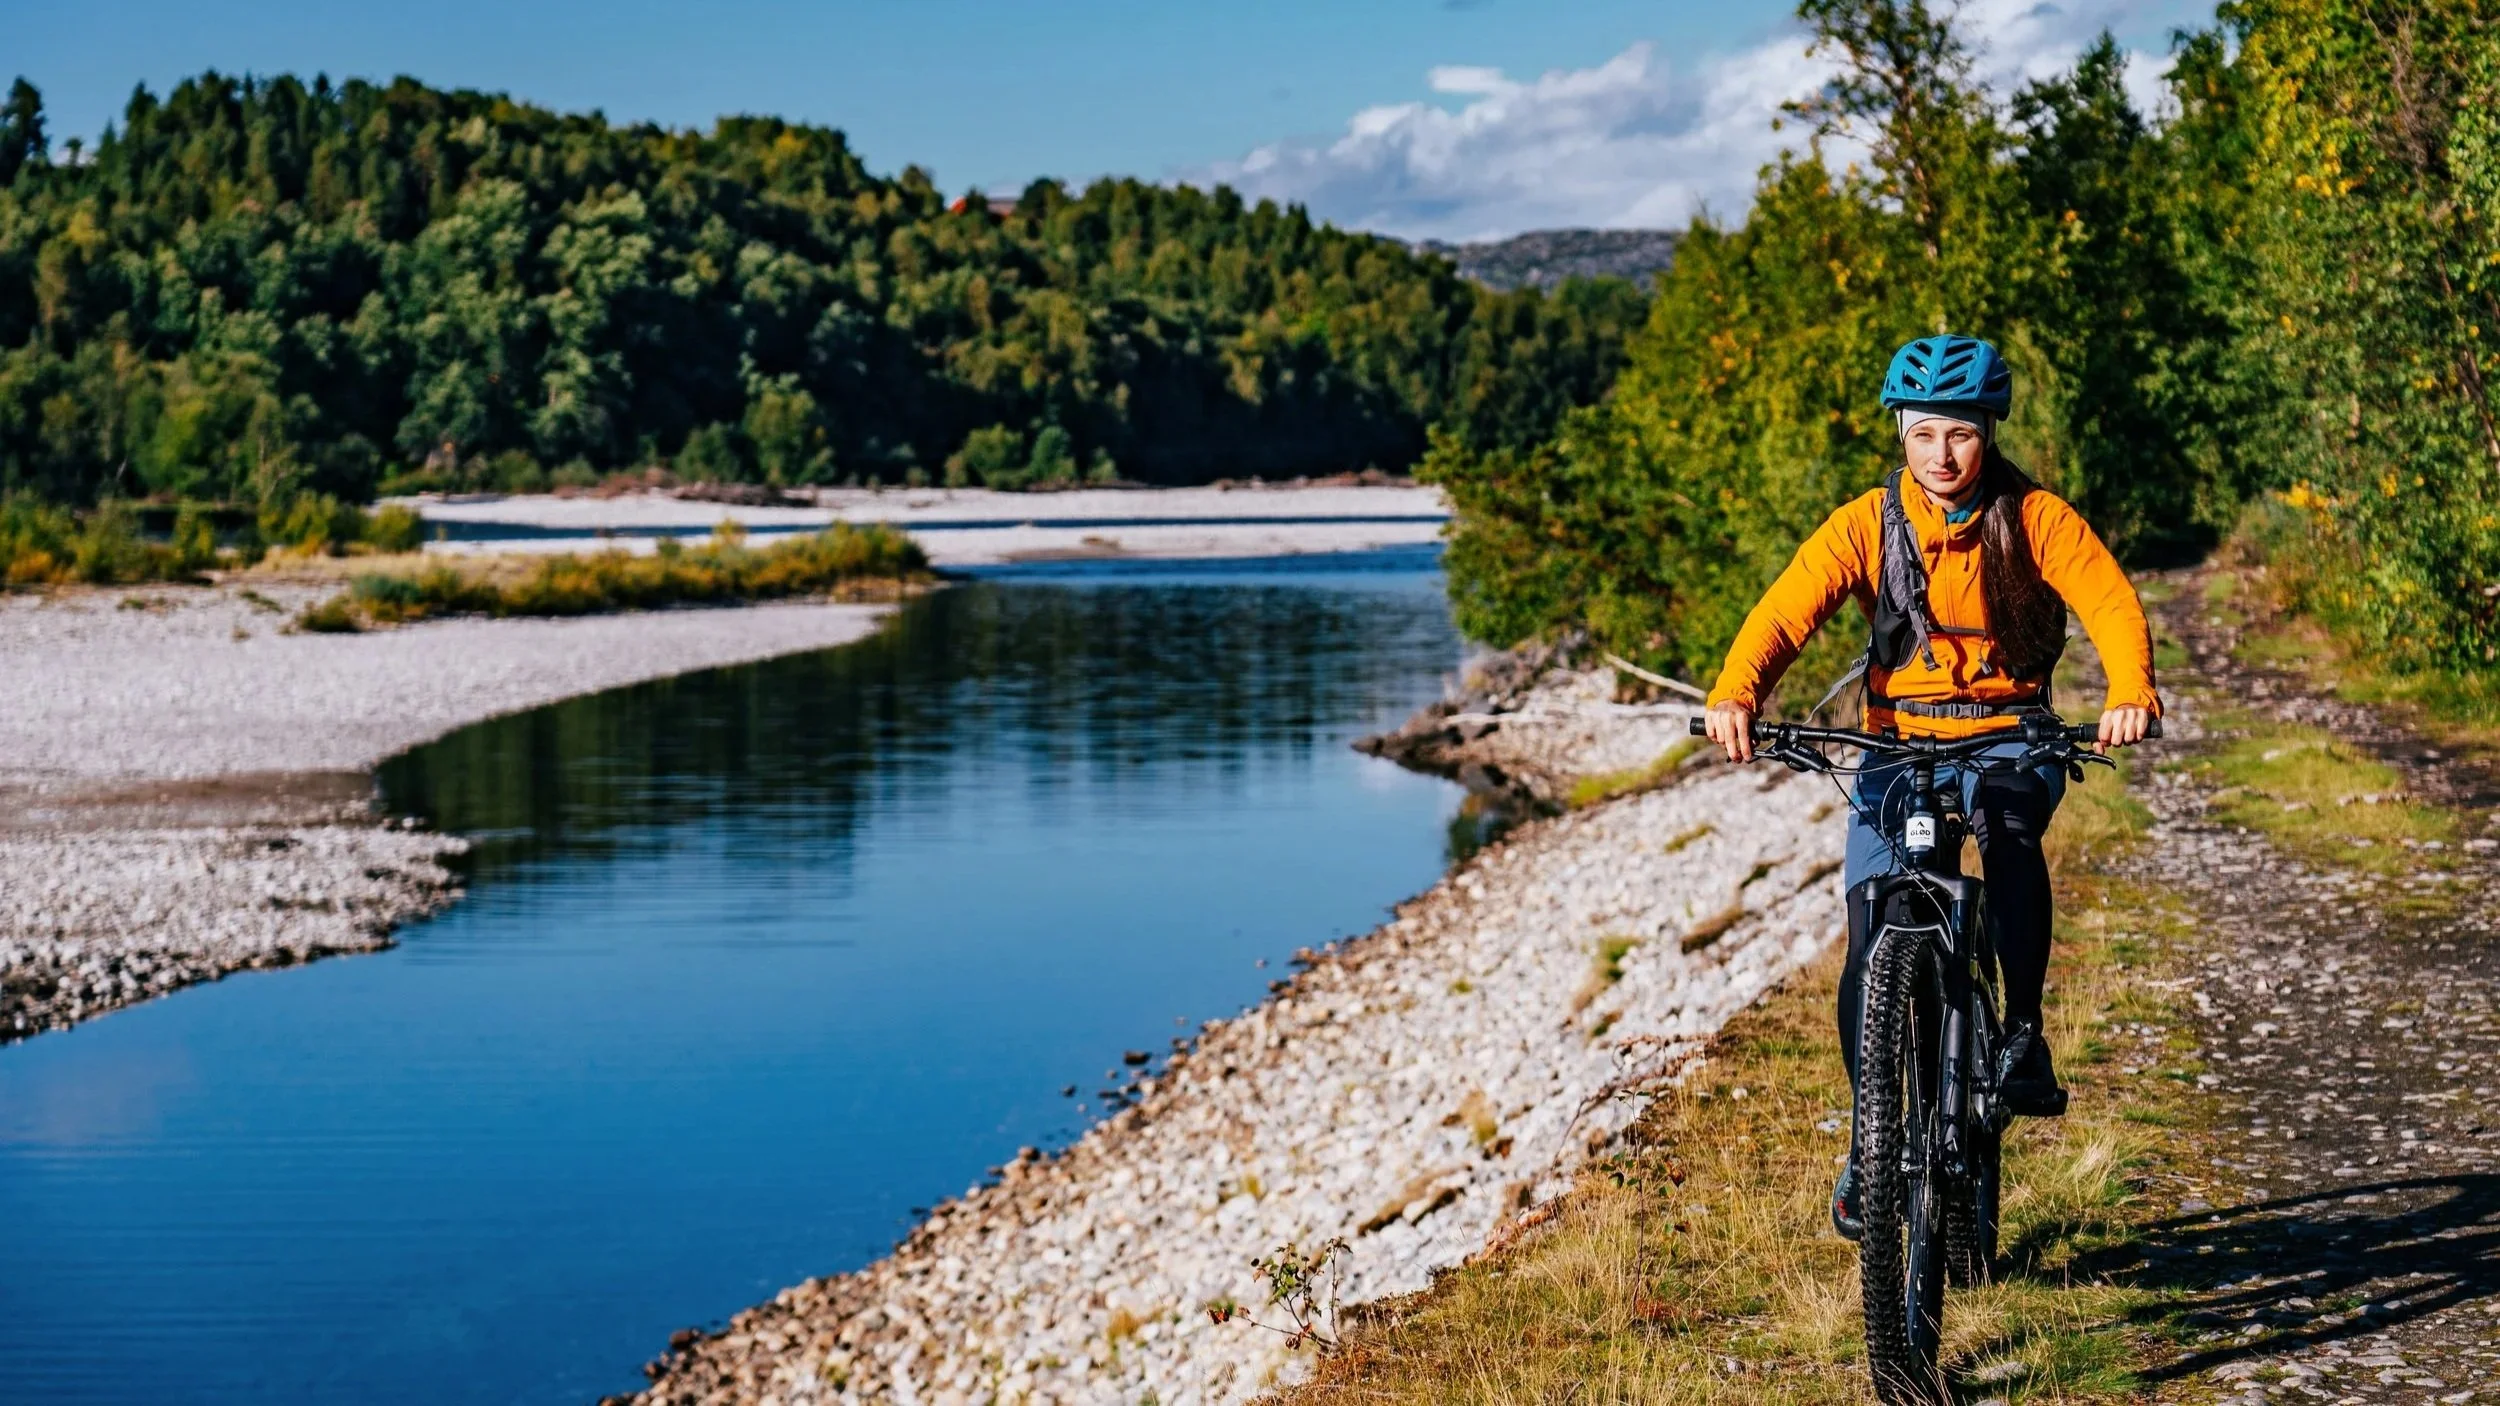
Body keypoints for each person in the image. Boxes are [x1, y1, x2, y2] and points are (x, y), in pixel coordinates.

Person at [1700, 334, 2159, 1241]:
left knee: (2009, 835)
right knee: (1871, 926)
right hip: (1898, 743)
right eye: (1922, 436)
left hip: (2009, 736)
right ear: (1900, 439)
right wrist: (1737, 691)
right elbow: (1789, 607)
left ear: (1988, 433)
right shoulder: (1866, 525)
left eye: (1960, 434)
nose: (1941, 455)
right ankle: (1872, 1141)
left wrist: (2130, 689)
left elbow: (2107, 599)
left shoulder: (2034, 518)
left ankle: (2021, 1031)